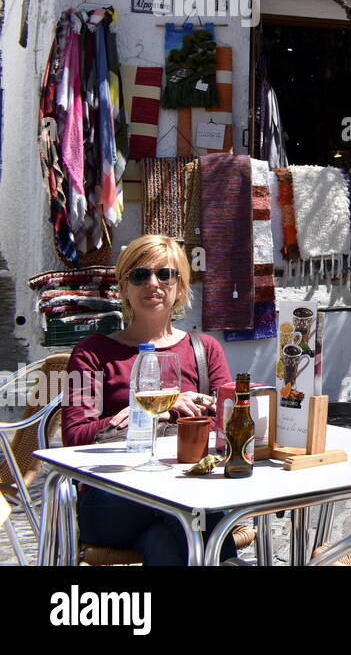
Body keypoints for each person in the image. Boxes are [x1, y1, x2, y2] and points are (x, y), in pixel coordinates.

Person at [62, 234, 239, 565]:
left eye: (165, 274)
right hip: (112, 497)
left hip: (184, 488)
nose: (153, 284)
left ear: (180, 287)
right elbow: (74, 436)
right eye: (140, 275)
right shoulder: (92, 352)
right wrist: (152, 411)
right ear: (124, 288)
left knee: (165, 541)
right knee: (185, 512)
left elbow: (227, 424)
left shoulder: (205, 350)